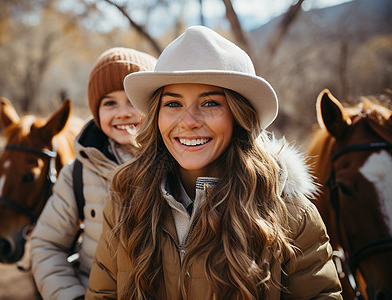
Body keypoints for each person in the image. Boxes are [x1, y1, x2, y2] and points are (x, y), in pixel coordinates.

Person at [85, 26, 342, 299]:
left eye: (210, 103)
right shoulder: (125, 200)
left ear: (239, 116)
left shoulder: (291, 214)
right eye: (173, 104)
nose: (189, 121)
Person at [29, 47, 157, 300]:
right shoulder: (77, 172)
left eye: (132, 100)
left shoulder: (181, 164)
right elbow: (46, 245)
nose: (123, 112)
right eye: (109, 103)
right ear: (96, 112)